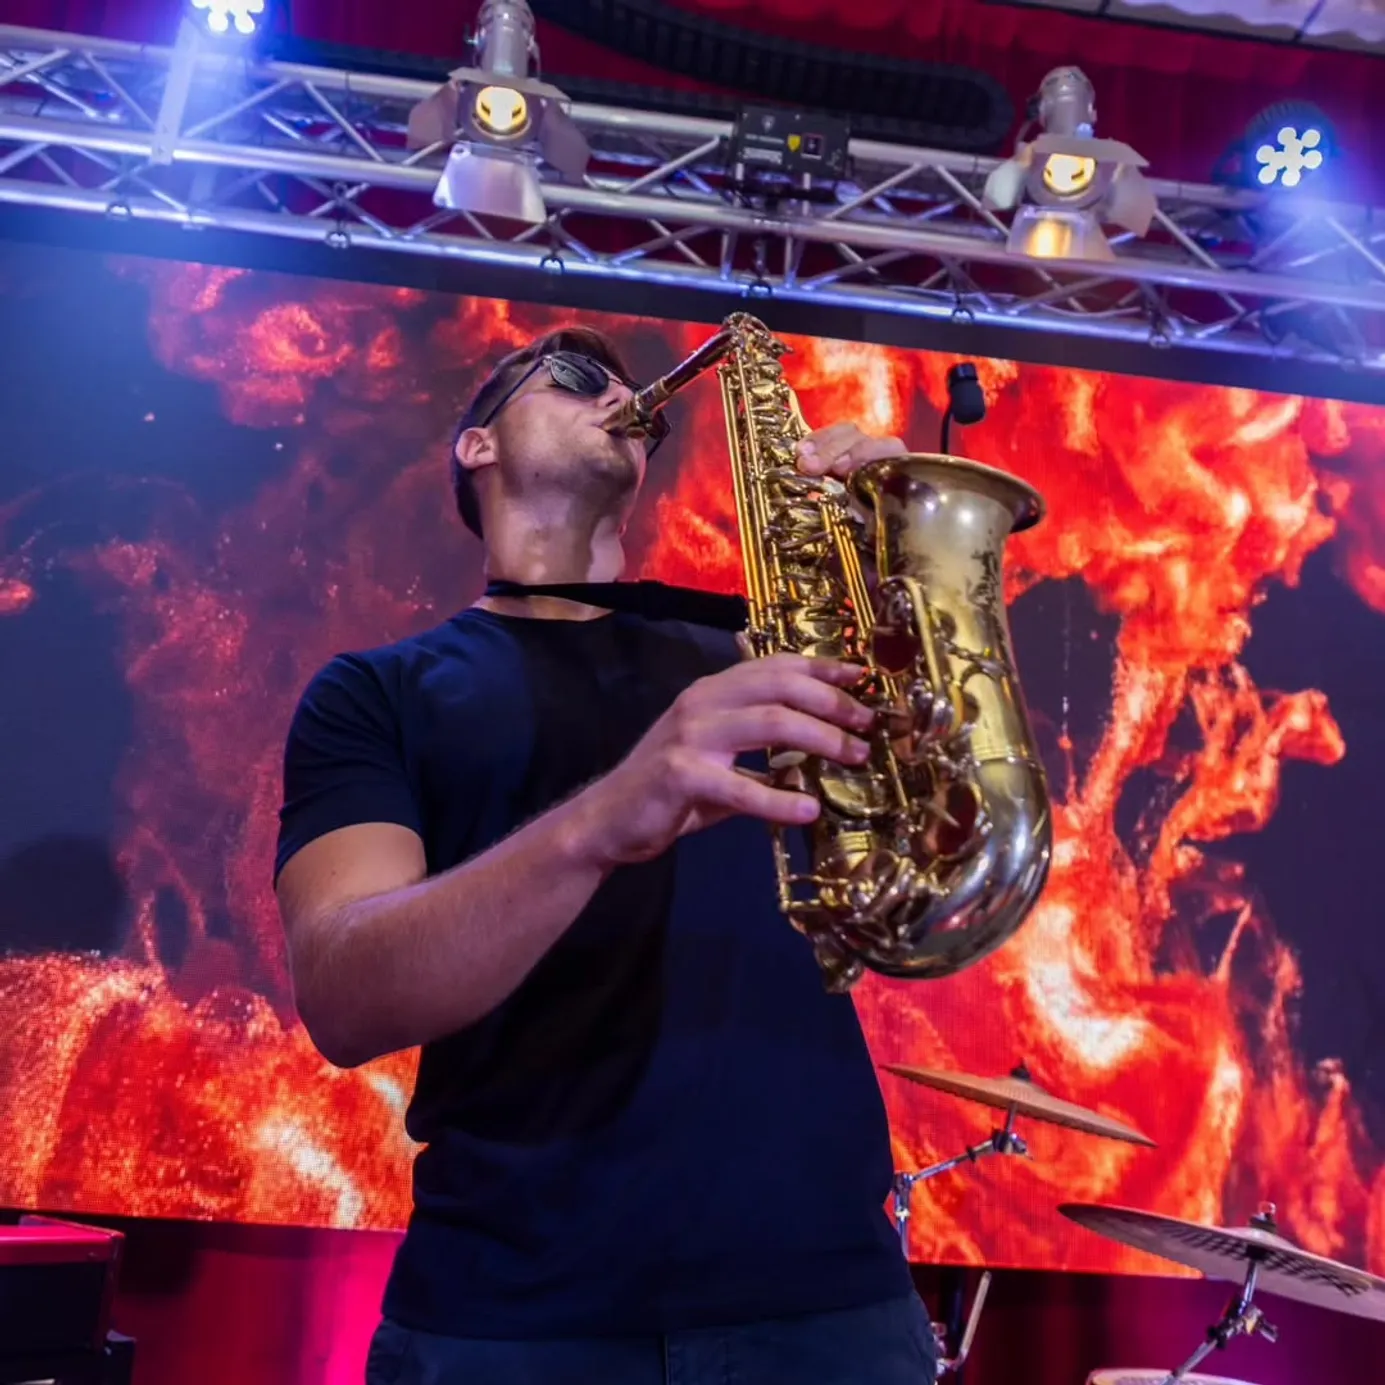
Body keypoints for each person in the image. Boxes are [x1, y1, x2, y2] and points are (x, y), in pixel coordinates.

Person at [273, 324, 940, 1385]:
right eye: (579, 380)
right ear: (475, 448)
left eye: (642, 402)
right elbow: (346, 995)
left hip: (829, 1304)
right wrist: (605, 815)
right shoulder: (374, 694)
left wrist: (897, 569)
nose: (626, 399)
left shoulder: (761, 650)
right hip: (509, 1319)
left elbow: (935, 854)